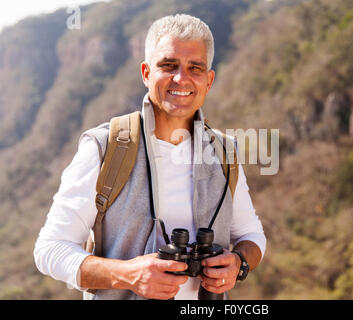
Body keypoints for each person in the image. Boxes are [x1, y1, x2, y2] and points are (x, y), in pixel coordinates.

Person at [34, 14, 266, 300]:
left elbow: (251, 236)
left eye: (195, 68)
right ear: (146, 73)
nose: (181, 78)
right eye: (168, 65)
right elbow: (50, 249)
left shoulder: (224, 153)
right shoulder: (105, 147)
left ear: (209, 80)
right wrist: (129, 274)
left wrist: (239, 263)